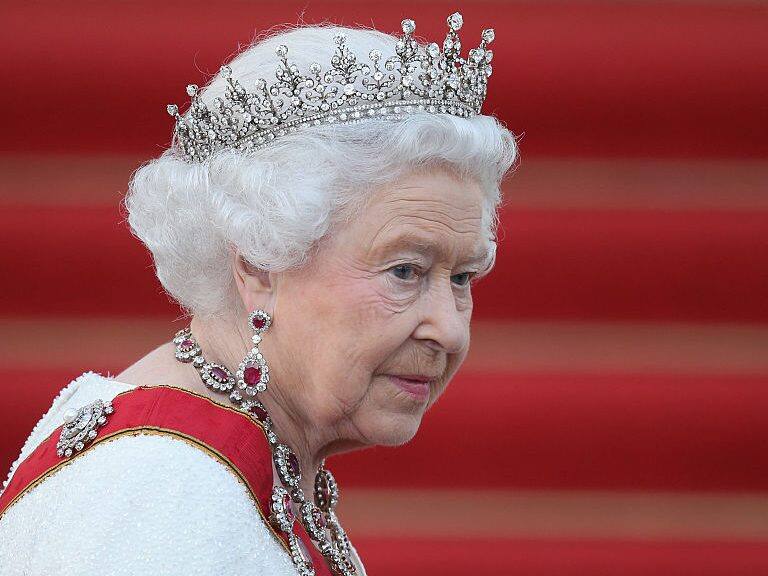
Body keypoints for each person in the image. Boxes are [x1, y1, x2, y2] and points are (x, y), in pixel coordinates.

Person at [0, 12, 518, 576]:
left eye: (463, 277)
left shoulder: (243, 464)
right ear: (260, 263)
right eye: (405, 271)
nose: (449, 328)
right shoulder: (162, 494)